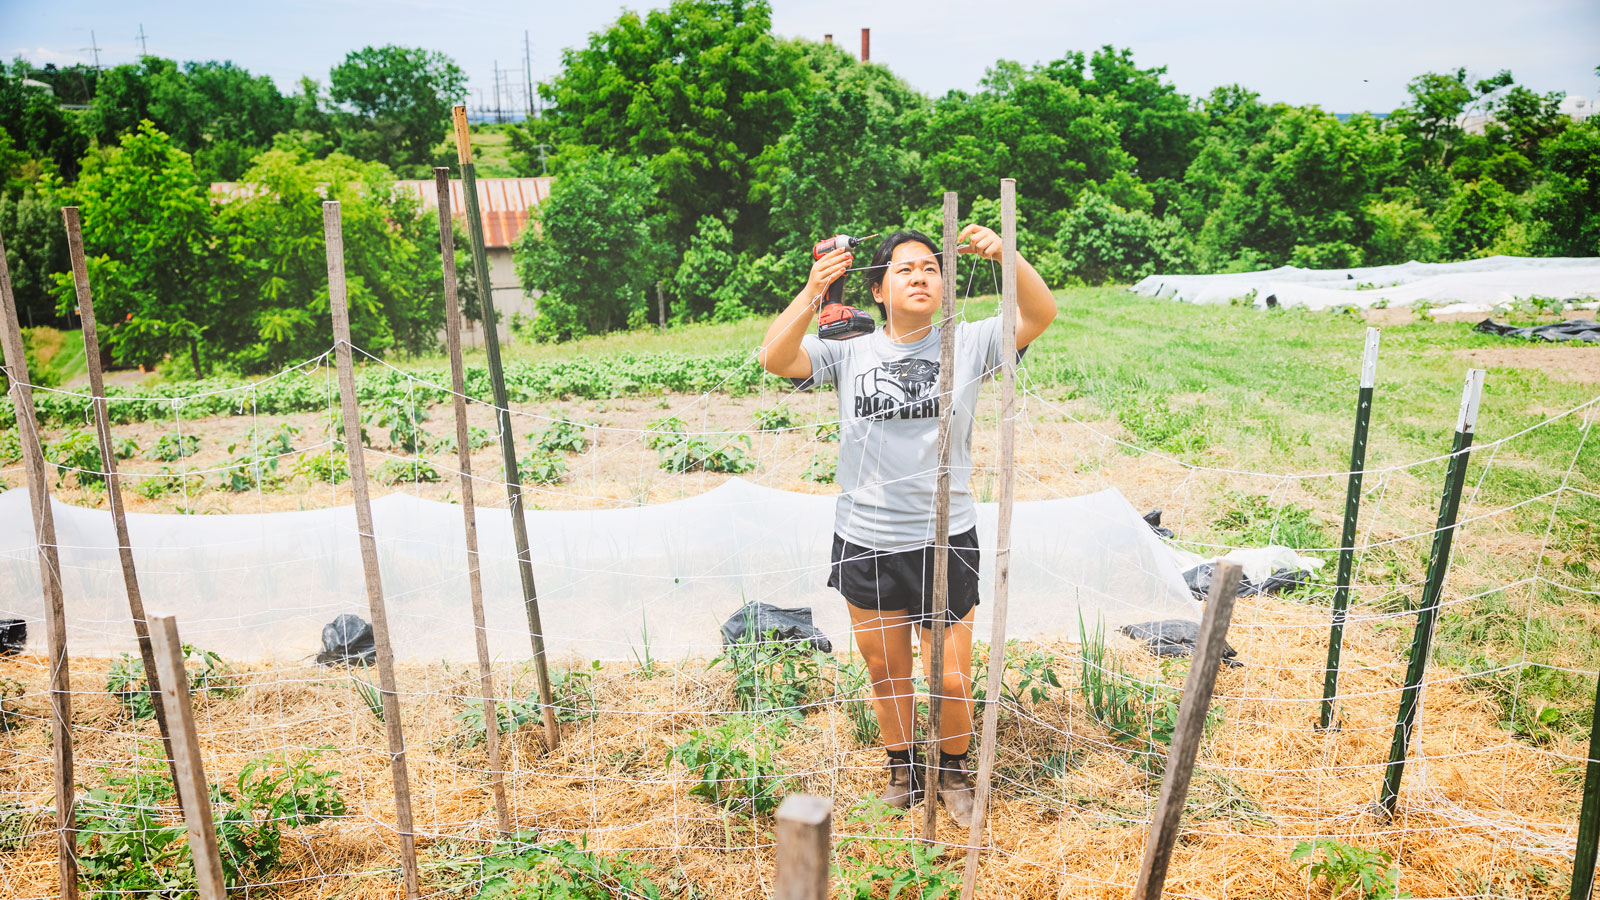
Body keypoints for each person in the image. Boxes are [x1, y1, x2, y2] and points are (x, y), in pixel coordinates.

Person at [758, 225, 1057, 825]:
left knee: (949, 672)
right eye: (904, 269)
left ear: (944, 283)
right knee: (884, 668)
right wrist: (814, 291)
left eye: (929, 268)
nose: (920, 277)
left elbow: (1040, 314)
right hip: (866, 537)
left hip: (947, 536)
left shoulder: (967, 345)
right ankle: (902, 766)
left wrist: (1007, 255)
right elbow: (774, 358)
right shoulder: (848, 350)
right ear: (877, 288)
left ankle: (953, 770)